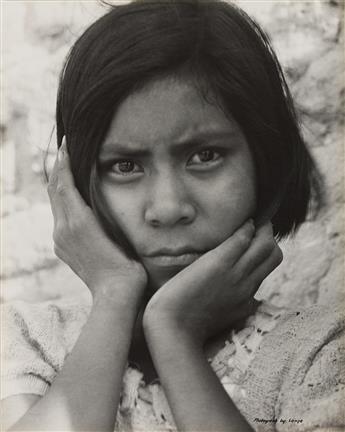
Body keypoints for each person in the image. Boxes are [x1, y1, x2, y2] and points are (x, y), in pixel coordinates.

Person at [1, 1, 344, 431]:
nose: (167, 208)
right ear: (73, 188)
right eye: (125, 166)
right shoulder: (29, 340)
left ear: (266, 162)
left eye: (205, 156)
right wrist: (113, 294)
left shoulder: (321, 353)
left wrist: (174, 333)